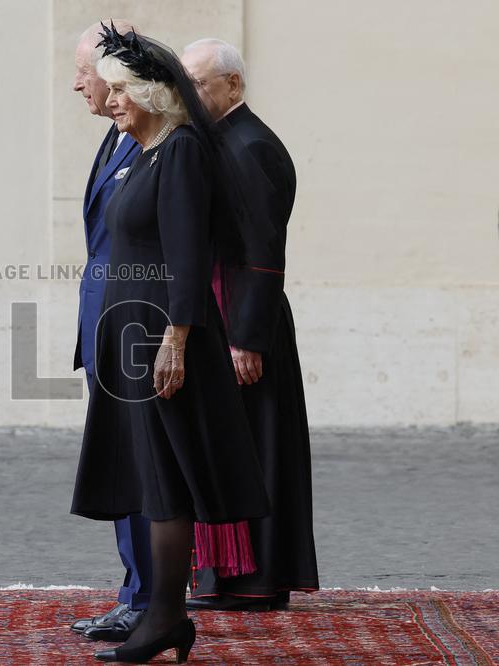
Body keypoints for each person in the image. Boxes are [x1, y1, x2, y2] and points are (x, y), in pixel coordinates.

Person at [71, 24, 269, 663]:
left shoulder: (180, 150)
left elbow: (188, 258)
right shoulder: (148, 151)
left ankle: (163, 619)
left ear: (153, 92)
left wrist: (175, 341)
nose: (111, 100)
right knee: (154, 482)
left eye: (121, 90)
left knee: (166, 484)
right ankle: (163, 617)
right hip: (133, 336)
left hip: (159, 340)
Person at [180, 38, 319, 611]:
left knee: (256, 451)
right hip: (227, 316)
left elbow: (263, 253)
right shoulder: (224, 139)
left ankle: (255, 581)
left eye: (199, 83)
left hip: (245, 325)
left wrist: (245, 338)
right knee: (231, 448)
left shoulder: (252, 146)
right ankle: (228, 577)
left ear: (233, 84)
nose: (190, 95)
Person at [67, 19, 152, 643]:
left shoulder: (153, 141)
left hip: (134, 327)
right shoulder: (114, 138)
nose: (78, 86)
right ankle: (136, 590)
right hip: (105, 323)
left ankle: (147, 598)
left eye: (83, 73)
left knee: (139, 467)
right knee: (121, 465)